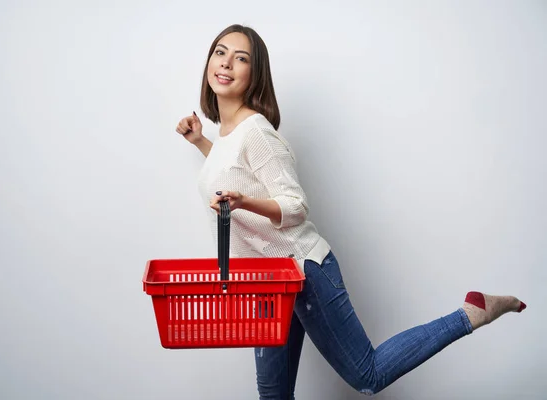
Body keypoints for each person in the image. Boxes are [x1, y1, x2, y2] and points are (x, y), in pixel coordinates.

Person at [175, 24, 527, 399]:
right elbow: (236, 173)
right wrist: (200, 142)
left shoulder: (256, 131)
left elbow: (294, 205)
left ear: (254, 74)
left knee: (368, 374)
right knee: (273, 394)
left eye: (240, 57)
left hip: (303, 269)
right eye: (220, 52)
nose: (226, 63)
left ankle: (471, 313)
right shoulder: (229, 136)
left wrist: (243, 203)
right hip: (269, 284)